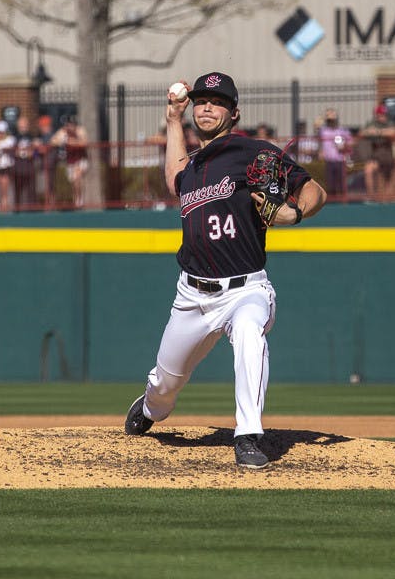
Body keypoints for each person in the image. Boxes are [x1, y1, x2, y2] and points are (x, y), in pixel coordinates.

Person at [124, 70, 327, 470]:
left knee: (251, 333)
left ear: (234, 113)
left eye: (216, 102)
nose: (206, 107)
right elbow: (174, 180)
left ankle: (248, 434)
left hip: (245, 290)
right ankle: (150, 407)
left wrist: (295, 212)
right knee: (166, 385)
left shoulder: (253, 153)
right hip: (191, 295)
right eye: (201, 101)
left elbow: (314, 190)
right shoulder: (194, 165)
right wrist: (171, 120)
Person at [359, 101, 395, 201]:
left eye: (384, 114)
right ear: (376, 115)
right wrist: (369, 132)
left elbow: (393, 133)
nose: (383, 117)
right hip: (376, 154)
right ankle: (371, 196)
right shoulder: (372, 123)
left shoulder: (389, 123)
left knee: (388, 179)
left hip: (387, 154)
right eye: (380, 114)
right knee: (368, 170)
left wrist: (378, 132)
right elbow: (362, 133)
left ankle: (387, 201)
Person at [52, 115, 88, 208]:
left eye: (72, 124)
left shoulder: (80, 130)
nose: (70, 127)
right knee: (73, 182)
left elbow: (84, 142)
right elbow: (53, 141)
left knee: (77, 177)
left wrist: (72, 142)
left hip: (81, 159)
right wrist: (61, 141)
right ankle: (77, 199)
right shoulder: (63, 132)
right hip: (70, 160)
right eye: (68, 125)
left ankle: (79, 200)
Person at [318, 107, 353, 198]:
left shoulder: (342, 130)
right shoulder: (323, 131)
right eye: (329, 120)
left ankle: (342, 201)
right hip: (328, 160)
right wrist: (320, 151)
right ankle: (331, 202)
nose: (331, 122)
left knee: (341, 183)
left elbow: (350, 143)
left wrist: (344, 146)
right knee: (330, 184)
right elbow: (319, 142)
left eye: (332, 119)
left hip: (340, 159)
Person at [12, 115, 41, 210]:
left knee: (31, 190)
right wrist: (19, 153)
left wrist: (33, 153)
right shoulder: (14, 137)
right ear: (18, 126)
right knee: (17, 191)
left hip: (29, 167)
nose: (23, 126)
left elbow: (37, 152)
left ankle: (32, 210)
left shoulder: (33, 137)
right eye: (21, 125)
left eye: (25, 124)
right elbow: (11, 152)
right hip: (18, 168)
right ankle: (17, 210)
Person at [36, 115, 58, 208]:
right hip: (45, 165)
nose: (41, 128)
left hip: (50, 164)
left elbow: (45, 149)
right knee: (48, 186)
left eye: (43, 126)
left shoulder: (51, 135)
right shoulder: (43, 136)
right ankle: (49, 204)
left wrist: (39, 146)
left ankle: (50, 205)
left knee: (49, 186)